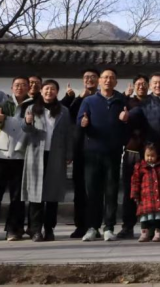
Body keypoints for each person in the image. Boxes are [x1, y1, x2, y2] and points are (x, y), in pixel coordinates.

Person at [78, 68, 131, 242]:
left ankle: (109, 227)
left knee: (111, 191)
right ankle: (92, 227)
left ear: (116, 82)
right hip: (92, 153)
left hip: (113, 153)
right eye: (105, 77)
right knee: (92, 192)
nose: (108, 80)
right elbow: (79, 122)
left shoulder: (121, 101)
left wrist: (125, 121)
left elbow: (128, 129)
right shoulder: (89, 101)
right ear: (100, 81)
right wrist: (83, 123)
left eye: (112, 78)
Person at [21, 80, 74, 242]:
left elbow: (68, 133)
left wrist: (69, 154)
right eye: (46, 89)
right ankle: (36, 230)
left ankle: (49, 228)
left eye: (52, 89)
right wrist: (27, 122)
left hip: (56, 154)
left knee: (52, 194)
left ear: (57, 92)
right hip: (36, 154)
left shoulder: (64, 111)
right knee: (35, 195)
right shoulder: (32, 108)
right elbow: (26, 131)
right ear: (41, 91)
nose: (49, 91)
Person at [0, 77, 32, 242]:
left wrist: (29, 123)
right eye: (17, 85)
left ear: (28, 88)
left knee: (17, 197)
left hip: (20, 155)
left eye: (23, 85)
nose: (20, 88)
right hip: (0, 155)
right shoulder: (4, 104)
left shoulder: (32, 106)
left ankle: (13, 230)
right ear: (12, 88)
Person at [62, 68, 100, 238]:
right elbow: (67, 115)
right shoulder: (78, 99)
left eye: (93, 77)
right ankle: (80, 225)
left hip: (97, 149)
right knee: (79, 190)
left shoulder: (102, 98)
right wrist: (76, 97)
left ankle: (95, 225)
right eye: (86, 77)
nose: (89, 79)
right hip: (79, 150)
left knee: (96, 190)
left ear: (98, 80)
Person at [118, 74, 151, 239]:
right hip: (131, 151)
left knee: (150, 190)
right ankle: (127, 226)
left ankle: (150, 226)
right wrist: (124, 97)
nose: (141, 86)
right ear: (133, 85)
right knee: (129, 191)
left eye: (144, 83)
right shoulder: (127, 102)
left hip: (150, 152)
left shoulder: (153, 102)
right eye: (138, 83)